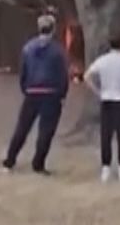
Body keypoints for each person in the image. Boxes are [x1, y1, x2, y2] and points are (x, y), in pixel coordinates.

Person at [4, 13, 70, 175]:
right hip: (51, 93)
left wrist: (25, 88)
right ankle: (38, 164)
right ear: (53, 29)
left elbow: (23, 71)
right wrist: (62, 93)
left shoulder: (28, 48)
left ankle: (9, 161)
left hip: (31, 92)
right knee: (46, 131)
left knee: (22, 128)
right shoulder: (58, 51)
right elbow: (63, 74)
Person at [84, 34, 120, 182]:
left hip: (106, 99)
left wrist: (98, 91)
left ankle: (105, 168)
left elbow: (87, 76)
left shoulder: (103, 60)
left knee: (106, 135)